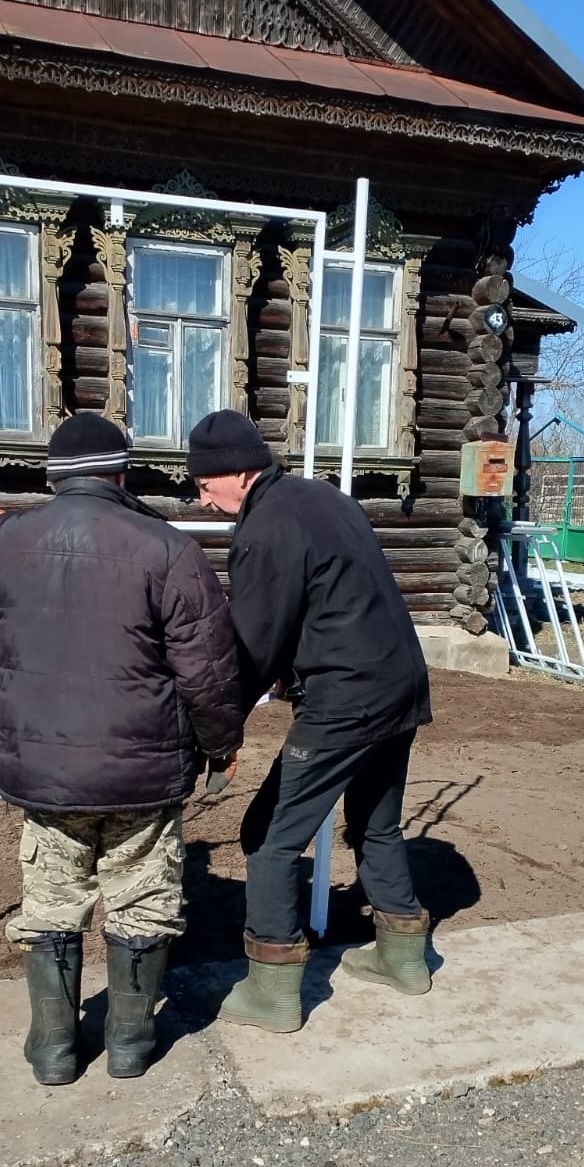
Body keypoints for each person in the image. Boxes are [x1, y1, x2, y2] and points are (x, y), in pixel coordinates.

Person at [0, 411, 243, 1086]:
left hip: (47, 775)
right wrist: (222, 747)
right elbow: (210, 671)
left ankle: (53, 1049)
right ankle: (131, 1043)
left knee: (51, 902)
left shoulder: (4, 543)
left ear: (53, 474)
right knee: (143, 900)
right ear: (120, 470)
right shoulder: (169, 550)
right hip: (144, 774)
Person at [184, 408, 433, 1034]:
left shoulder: (263, 529)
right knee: (377, 822)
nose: (202, 499)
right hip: (398, 684)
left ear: (238, 473)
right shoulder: (324, 497)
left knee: (268, 835)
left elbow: (254, 644)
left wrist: (220, 727)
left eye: (205, 485)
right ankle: (404, 959)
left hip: (345, 699)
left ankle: (272, 991)